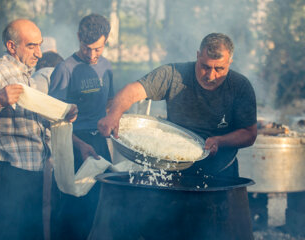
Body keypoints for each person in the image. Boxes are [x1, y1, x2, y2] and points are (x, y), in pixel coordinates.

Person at [0, 19, 77, 240]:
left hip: (31, 174)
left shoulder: (26, 77)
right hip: (6, 175)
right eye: (31, 46)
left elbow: (31, 124)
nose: (39, 53)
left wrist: (62, 115)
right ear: (11, 46)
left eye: (39, 45)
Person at [98, 32, 257, 178]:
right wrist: (113, 115)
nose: (210, 75)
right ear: (198, 56)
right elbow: (132, 90)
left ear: (230, 63)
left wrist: (220, 141)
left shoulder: (240, 86)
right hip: (171, 170)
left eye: (219, 69)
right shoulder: (174, 74)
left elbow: (249, 134)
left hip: (221, 174)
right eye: (205, 67)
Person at [48, 13, 113, 239]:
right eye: (87, 48)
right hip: (73, 145)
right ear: (78, 38)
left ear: (106, 40)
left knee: (95, 209)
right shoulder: (64, 69)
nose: (92, 55)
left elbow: (109, 105)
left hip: (99, 144)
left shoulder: (106, 67)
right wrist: (79, 145)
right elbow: (53, 120)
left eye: (98, 48)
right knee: (69, 210)